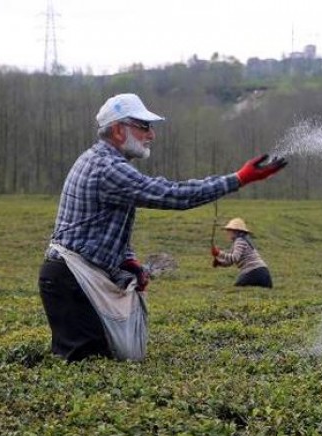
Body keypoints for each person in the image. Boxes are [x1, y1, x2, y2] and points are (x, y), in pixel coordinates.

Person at [38, 93, 286, 361]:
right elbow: (172, 195)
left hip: (72, 278)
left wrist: (127, 261)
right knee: (86, 366)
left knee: (101, 362)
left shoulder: (101, 160)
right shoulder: (107, 168)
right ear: (119, 130)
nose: (151, 135)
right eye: (144, 126)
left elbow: (101, 228)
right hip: (72, 283)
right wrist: (238, 179)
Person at [211, 218, 273, 288]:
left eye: (229, 230)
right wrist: (219, 263)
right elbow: (230, 262)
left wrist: (219, 253)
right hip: (264, 274)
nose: (227, 232)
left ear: (235, 231)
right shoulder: (243, 240)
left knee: (237, 289)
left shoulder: (239, 241)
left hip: (253, 272)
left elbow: (234, 258)